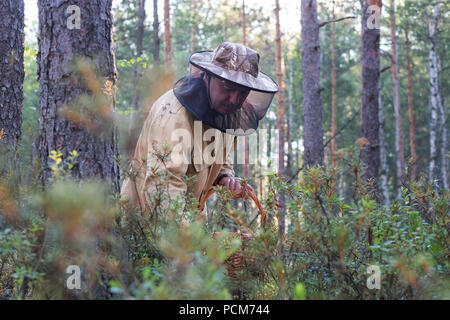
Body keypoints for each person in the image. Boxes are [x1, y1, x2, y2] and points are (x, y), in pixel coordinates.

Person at [120, 42, 278, 219]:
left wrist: (224, 177)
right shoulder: (173, 116)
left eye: (242, 93)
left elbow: (217, 155)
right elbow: (163, 187)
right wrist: (186, 241)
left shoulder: (226, 112)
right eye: (227, 88)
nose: (234, 99)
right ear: (206, 77)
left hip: (191, 224)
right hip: (147, 226)